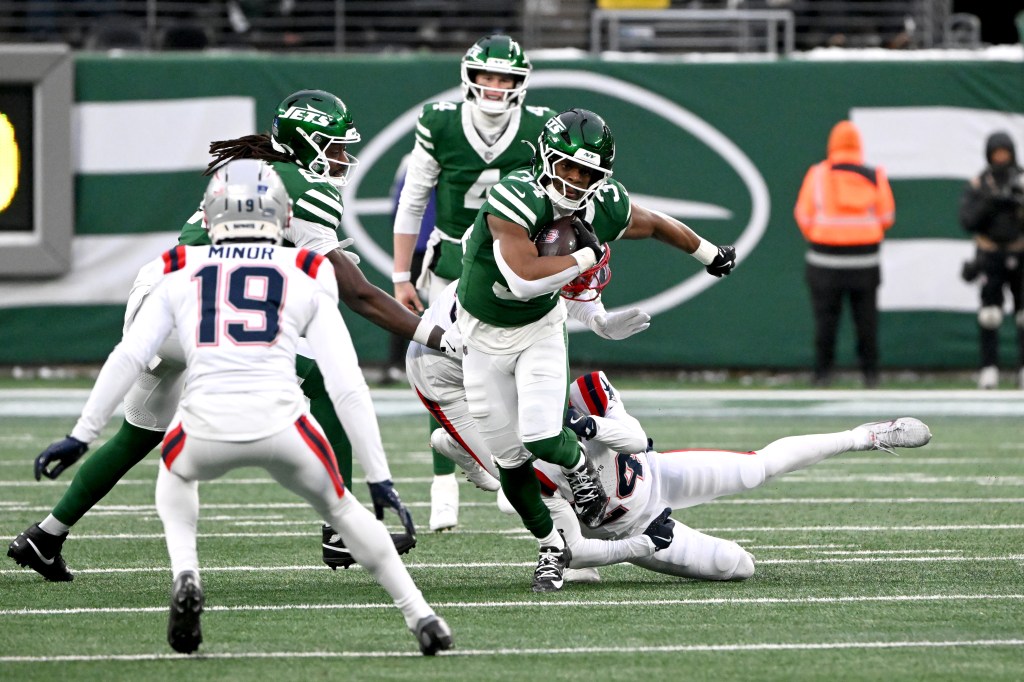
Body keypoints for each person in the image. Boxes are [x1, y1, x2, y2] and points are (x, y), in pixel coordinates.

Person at [9, 89, 461, 582]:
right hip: (199, 306)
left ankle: (46, 535)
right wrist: (440, 336)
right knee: (329, 385)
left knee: (137, 435)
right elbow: (361, 297)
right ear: (307, 144)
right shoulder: (304, 187)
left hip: (161, 299)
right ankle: (340, 532)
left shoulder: (266, 174)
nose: (341, 159)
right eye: (333, 147)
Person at [455, 107, 736, 591]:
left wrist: (708, 254)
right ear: (546, 157)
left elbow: (652, 222)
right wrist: (590, 253)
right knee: (510, 463)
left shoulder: (600, 203)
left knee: (542, 437)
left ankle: (581, 470)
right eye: (566, 166)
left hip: (540, 328)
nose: (574, 179)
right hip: (480, 335)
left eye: (587, 171)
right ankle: (551, 544)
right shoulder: (514, 194)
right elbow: (523, 279)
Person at [532, 371, 933, 580]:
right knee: (736, 565)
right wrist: (642, 545)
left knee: (756, 467)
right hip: (630, 528)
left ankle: (864, 435)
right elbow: (578, 548)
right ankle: (583, 575)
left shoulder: (585, 391)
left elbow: (636, 440)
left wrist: (589, 426)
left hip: (654, 472)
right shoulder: (530, 465)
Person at [391, 34, 558, 532]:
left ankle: (504, 466)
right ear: (469, 76)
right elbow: (413, 199)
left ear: (519, 83)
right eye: (486, 75)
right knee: (439, 364)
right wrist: (402, 273)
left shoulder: (536, 127)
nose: (494, 86)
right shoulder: (440, 121)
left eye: (504, 78)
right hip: (449, 265)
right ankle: (444, 481)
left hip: (504, 264)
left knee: (506, 368)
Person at [794, 119, 895, 389]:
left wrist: (824, 235)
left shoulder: (817, 175)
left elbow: (803, 215)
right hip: (865, 263)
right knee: (866, 321)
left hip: (824, 262)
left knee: (826, 322)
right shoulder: (875, 175)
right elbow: (887, 216)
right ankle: (871, 375)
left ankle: (822, 375)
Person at [958, 131, 1024, 389]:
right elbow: (967, 221)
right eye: (996, 154)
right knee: (990, 314)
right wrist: (990, 202)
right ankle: (989, 369)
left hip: (1020, 252)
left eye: (1005, 153)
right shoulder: (980, 184)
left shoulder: (1021, 180)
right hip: (990, 254)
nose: (1001, 159)